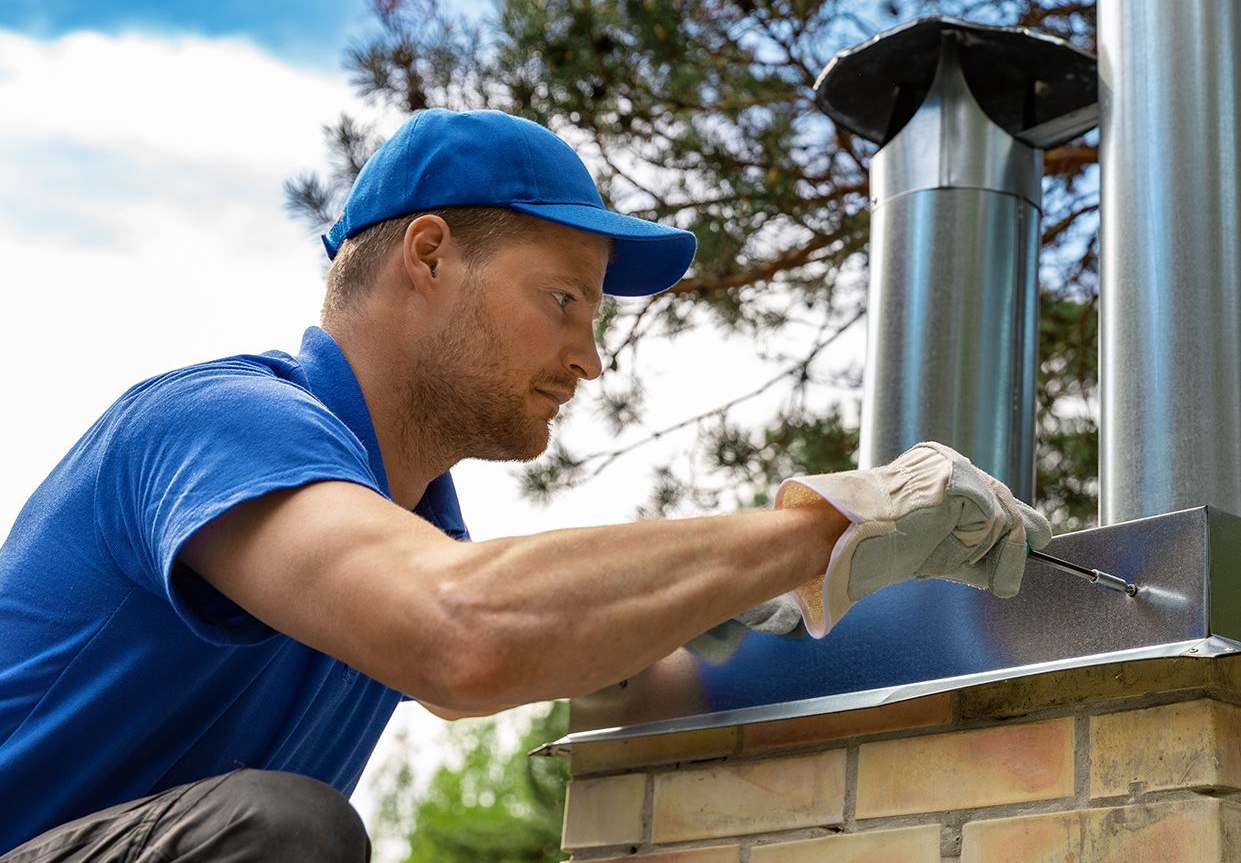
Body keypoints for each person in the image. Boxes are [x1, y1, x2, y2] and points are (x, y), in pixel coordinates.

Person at [0, 109, 1050, 861]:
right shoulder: (224, 423)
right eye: (562, 299)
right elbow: (464, 634)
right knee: (287, 828)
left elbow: (527, 666)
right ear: (427, 255)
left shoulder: (404, 528)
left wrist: (710, 619)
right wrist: (821, 529)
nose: (590, 359)